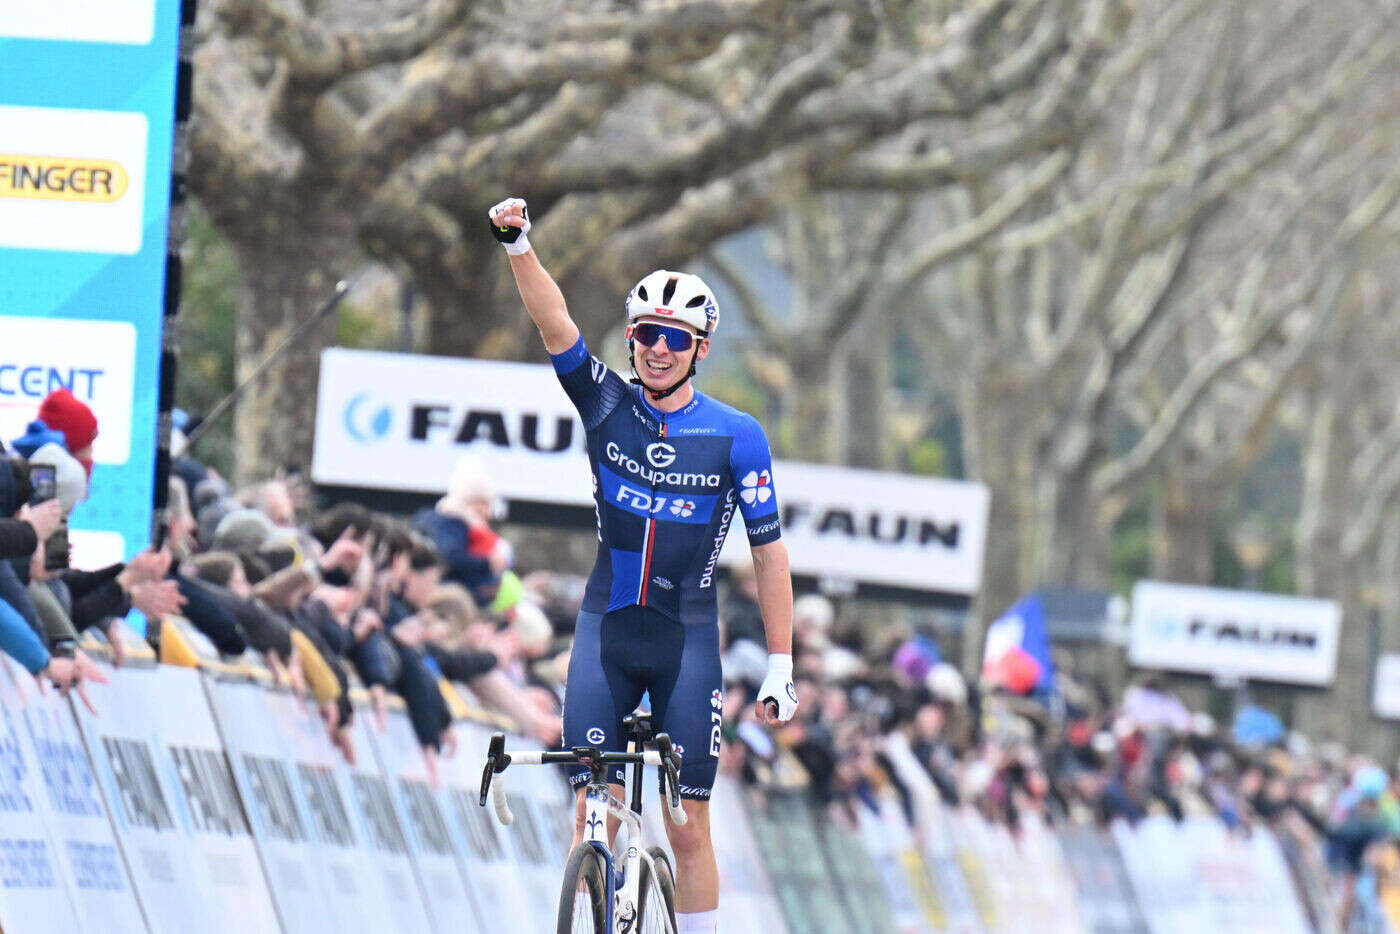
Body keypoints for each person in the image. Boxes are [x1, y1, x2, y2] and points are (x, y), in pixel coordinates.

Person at [489, 196, 798, 934]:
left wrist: (782, 662)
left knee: (687, 824)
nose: (657, 348)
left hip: (686, 637)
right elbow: (554, 323)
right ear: (631, 341)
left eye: (674, 338)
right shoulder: (604, 406)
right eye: (646, 335)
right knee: (590, 810)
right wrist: (518, 245)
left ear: (700, 350)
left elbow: (768, 550)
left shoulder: (736, 436)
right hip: (605, 628)